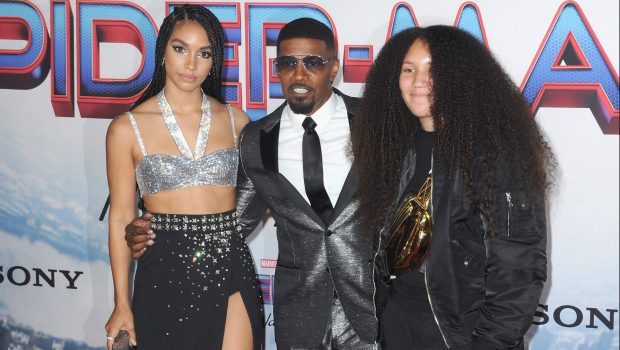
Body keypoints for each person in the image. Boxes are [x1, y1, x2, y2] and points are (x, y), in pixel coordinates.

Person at [126, 18, 378, 349]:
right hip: (299, 315)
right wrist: (155, 228)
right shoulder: (257, 139)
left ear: (333, 69)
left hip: (372, 306)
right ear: (276, 69)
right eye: (288, 63)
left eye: (313, 63)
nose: (299, 75)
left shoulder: (375, 124)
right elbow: (229, 224)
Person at [351, 25, 556, 350]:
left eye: (434, 69)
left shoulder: (499, 158)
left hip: (458, 334)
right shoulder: (393, 149)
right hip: (397, 325)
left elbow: (518, 271)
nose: (419, 81)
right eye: (408, 69)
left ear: (460, 76)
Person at [104, 5, 263, 350]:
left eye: (204, 53)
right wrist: (121, 301)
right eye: (181, 49)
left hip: (230, 262)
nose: (191, 65)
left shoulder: (237, 121)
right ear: (163, 52)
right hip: (162, 269)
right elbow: (120, 217)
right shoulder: (126, 128)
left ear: (214, 60)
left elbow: (264, 196)